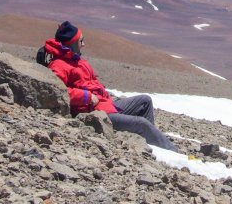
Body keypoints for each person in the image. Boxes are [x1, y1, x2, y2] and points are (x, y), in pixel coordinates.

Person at [44, 21, 177, 151]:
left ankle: (151, 146)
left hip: (105, 105)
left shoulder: (77, 60)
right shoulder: (59, 65)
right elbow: (56, 91)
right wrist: (86, 96)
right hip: (94, 113)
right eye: (81, 41)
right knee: (142, 124)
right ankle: (175, 154)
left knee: (145, 101)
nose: (84, 44)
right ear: (72, 43)